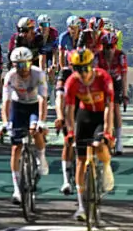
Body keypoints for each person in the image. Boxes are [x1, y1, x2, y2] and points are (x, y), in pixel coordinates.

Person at [63, 47, 115, 222]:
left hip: (101, 115)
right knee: (80, 160)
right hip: (84, 116)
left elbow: (109, 107)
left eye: (85, 68)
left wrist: (108, 131)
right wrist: (70, 132)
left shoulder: (103, 77)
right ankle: (81, 207)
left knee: (99, 145)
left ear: (92, 66)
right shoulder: (72, 82)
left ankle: (106, 166)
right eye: (78, 69)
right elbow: (69, 110)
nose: (83, 73)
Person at [0, 46, 49, 204]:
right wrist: (5, 123)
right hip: (18, 106)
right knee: (16, 148)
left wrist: (41, 121)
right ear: (13, 65)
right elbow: (6, 102)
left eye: (25, 64)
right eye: (18, 65)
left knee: (35, 130)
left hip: (34, 106)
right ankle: (16, 189)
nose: (23, 69)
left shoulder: (38, 74)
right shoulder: (10, 76)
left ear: (30, 63)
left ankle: (41, 157)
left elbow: (42, 99)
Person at [96, 32, 128, 154]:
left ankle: (119, 139)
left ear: (115, 46)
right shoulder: (97, 56)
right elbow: (94, 75)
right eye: (106, 47)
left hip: (116, 82)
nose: (109, 50)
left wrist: (124, 94)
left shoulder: (121, 56)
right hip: (102, 82)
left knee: (115, 107)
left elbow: (124, 76)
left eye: (111, 47)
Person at [55, 48, 77, 195]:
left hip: (84, 107)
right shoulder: (64, 73)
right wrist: (60, 116)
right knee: (67, 142)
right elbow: (59, 98)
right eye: (75, 66)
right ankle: (66, 180)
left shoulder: (91, 73)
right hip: (69, 108)